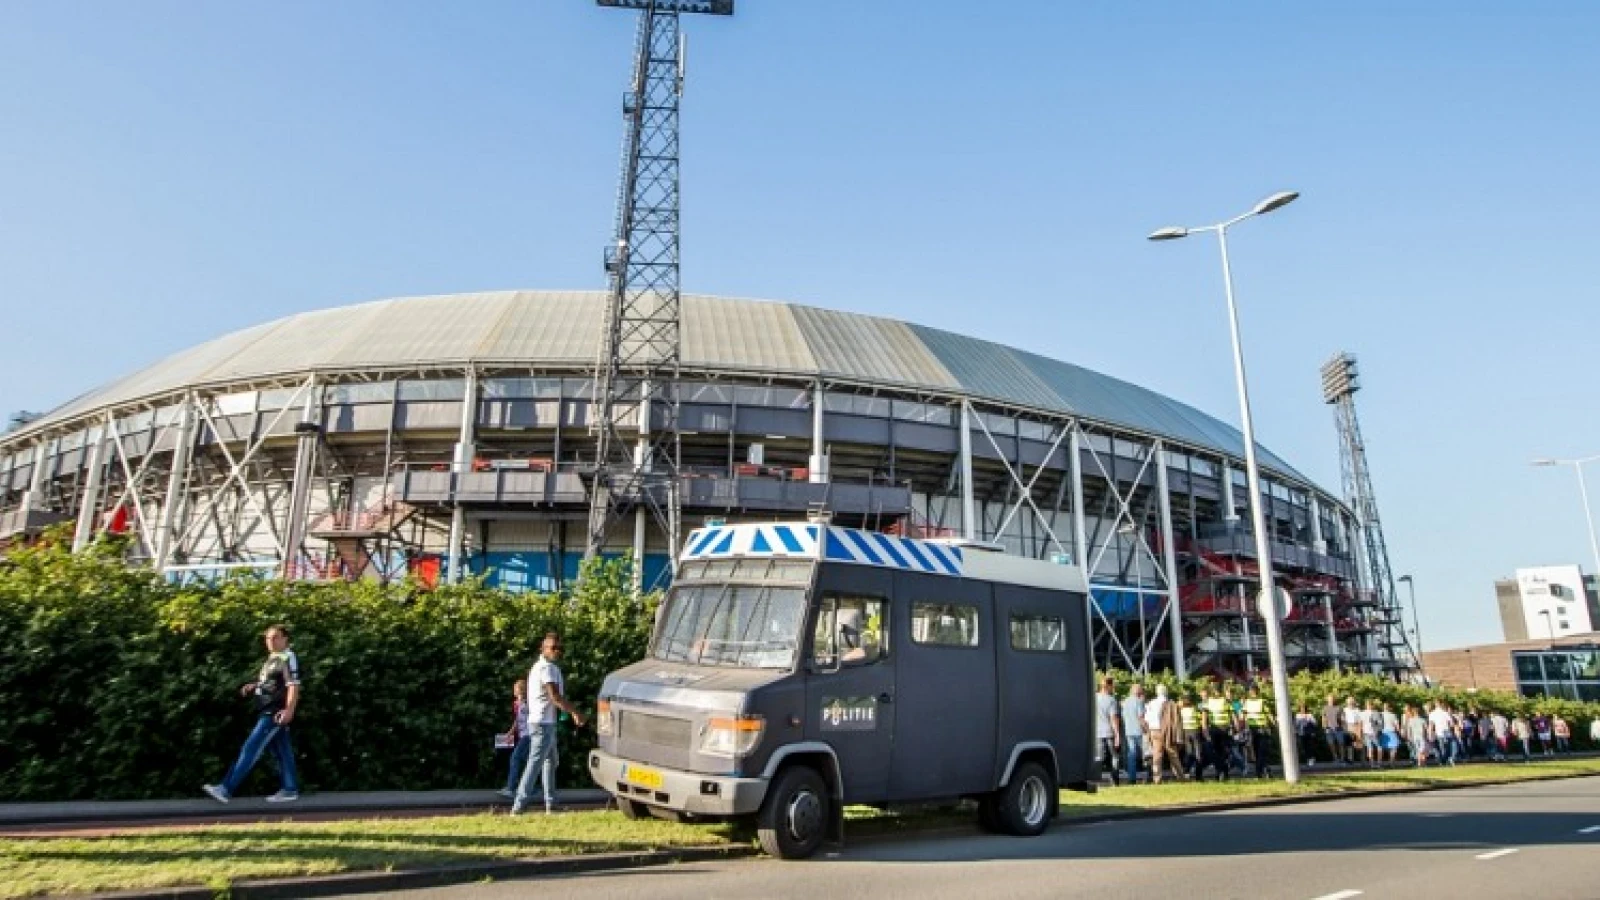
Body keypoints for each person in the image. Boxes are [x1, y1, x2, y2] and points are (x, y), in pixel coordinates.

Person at [204, 624, 302, 804]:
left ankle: (226, 789)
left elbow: (293, 685)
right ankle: (290, 789)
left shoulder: (288, 657)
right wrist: (255, 685)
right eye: (268, 638)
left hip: (274, 713)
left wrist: (289, 710)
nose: (270, 641)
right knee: (282, 751)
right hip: (267, 710)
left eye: (275, 637)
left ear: (285, 639)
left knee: (251, 748)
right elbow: (273, 682)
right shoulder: (274, 658)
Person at [513, 632, 586, 815]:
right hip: (542, 723)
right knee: (535, 763)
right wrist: (575, 712)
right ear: (543, 649)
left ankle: (551, 804)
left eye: (559, 648)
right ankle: (519, 806)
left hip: (545, 722)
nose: (556, 651)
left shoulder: (544, 667)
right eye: (552, 648)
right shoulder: (545, 668)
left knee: (549, 762)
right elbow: (555, 697)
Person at [499, 678, 553, 799]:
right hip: (524, 735)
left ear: (522, 690)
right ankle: (531, 787)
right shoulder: (517, 704)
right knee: (527, 761)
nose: (514, 690)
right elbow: (517, 721)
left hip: (529, 735)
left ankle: (511, 787)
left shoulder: (528, 704)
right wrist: (511, 732)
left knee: (515, 758)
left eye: (516, 688)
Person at [1145, 685, 1186, 785]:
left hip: (1154, 731)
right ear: (1166, 692)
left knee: (1157, 756)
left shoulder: (1150, 703)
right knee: (1173, 755)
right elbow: (1177, 721)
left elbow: (1147, 719)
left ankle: (1157, 779)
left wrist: (1149, 732)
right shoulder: (1172, 704)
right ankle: (1181, 777)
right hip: (1167, 732)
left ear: (1157, 692)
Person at [1094, 677, 1123, 787]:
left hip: (1097, 732)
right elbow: (1113, 719)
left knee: (1099, 758)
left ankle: (1095, 780)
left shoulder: (1094, 698)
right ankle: (1115, 781)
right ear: (1109, 686)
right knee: (1114, 756)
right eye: (1113, 686)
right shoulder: (1111, 700)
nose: (1113, 688)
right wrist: (1118, 735)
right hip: (1109, 732)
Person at [1121, 684, 1148, 785]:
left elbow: (1123, 717)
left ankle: (1132, 778)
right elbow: (1141, 718)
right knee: (1147, 754)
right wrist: (1147, 729)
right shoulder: (1138, 701)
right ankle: (1149, 776)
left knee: (1131, 755)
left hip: (1129, 731)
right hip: (1139, 731)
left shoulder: (1125, 702)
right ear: (1139, 691)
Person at [1428, 701, 1458, 766]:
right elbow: (1452, 724)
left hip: (1439, 732)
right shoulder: (1445, 713)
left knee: (1442, 748)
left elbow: (1431, 725)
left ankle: (1443, 761)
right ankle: (1448, 759)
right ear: (1441, 705)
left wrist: (1430, 734)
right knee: (1451, 747)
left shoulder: (1432, 714)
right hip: (1447, 731)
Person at [1321, 693, 1344, 765]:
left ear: (1334, 700)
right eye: (1329, 699)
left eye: (1332, 699)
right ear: (1327, 700)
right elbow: (1323, 718)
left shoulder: (1338, 707)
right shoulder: (1325, 708)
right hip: (1329, 728)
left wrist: (1342, 726)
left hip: (1338, 728)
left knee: (1341, 743)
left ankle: (1342, 758)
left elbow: (1342, 718)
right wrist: (1324, 727)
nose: (1331, 700)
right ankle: (1335, 758)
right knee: (1331, 744)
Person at [1342, 696, 1365, 765]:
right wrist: (1345, 728)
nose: (1350, 703)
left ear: (1354, 702)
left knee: (1359, 745)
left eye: (1352, 702)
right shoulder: (1344, 710)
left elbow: (1360, 721)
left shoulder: (1357, 710)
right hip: (1348, 728)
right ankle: (1350, 760)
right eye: (1349, 702)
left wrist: (1359, 730)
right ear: (1347, 703)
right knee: (1349, 745)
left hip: (1356, 727)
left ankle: (1362, 761)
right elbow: (1343, 721)